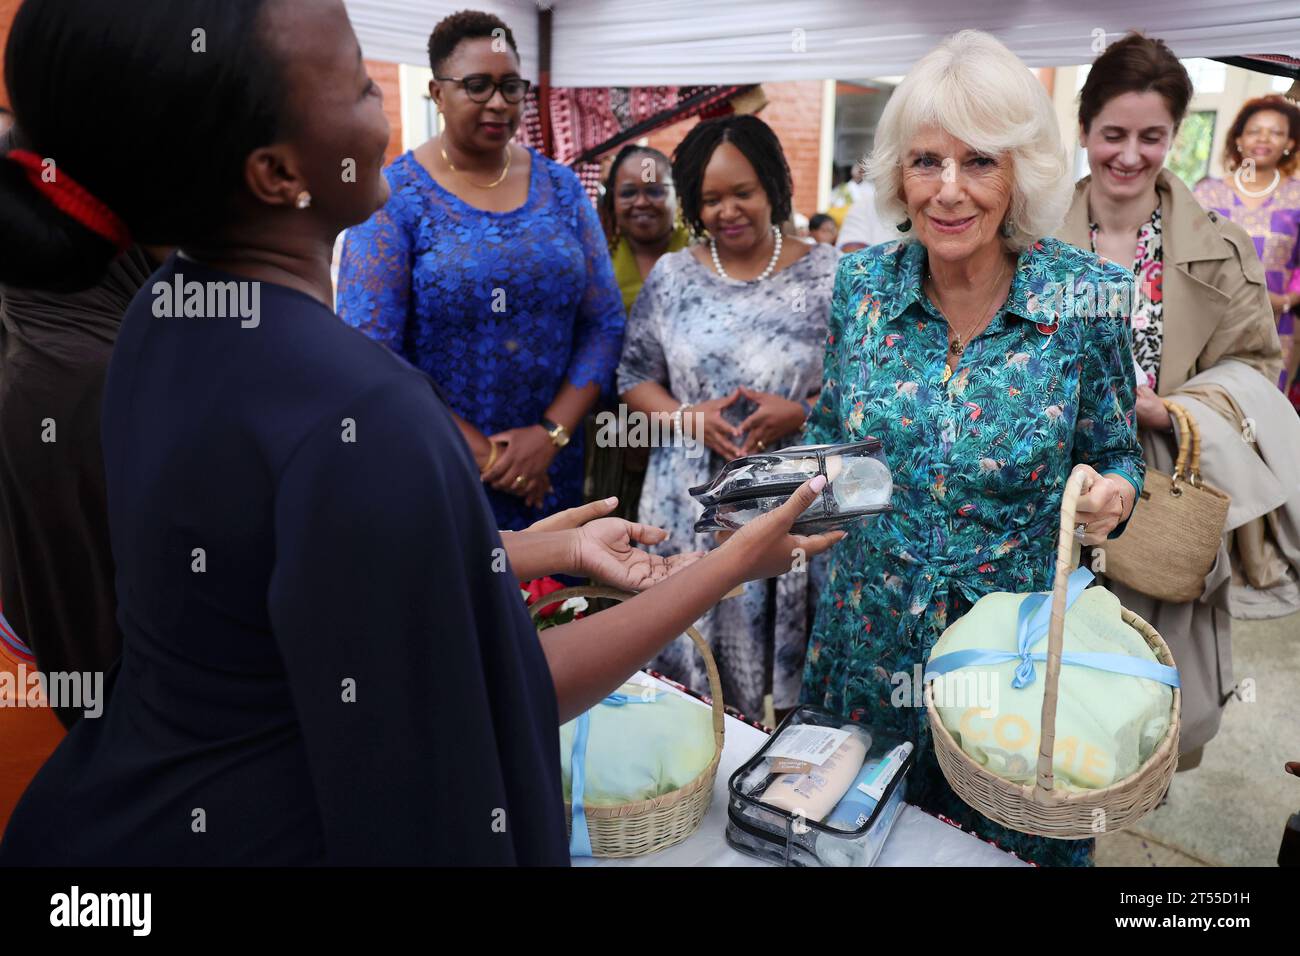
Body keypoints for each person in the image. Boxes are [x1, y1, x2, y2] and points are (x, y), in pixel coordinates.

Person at [0, 0, 843, 866]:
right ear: (275, 170)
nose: (385, 108)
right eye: (361, 84)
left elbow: (290, 578)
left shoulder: (161, 317)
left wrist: (516, 550)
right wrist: (726, 565)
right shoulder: (366, 414)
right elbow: (499, 694)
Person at [802, 30, 1145, 867]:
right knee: (854, 845)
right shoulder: (862, 287)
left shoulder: (1086, 295)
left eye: (979, 162)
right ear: (898, 174)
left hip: (1011, 677)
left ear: (1020, 174)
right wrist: (787, 498)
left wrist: (1114, 498)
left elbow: (1118, 451)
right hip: (867, 652)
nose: (949, 191)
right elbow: (831, 434)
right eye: (926, 162)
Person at [1059, 33, 1297, 770]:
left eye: (1151, 137)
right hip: (1044, 507)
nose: (1129, 155)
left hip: (1160, 505)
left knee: (1140, 706)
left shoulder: (1222, 249)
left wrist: (1173, 412)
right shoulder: (1027, 237)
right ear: (1085, 129)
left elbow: (1257, 365)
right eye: (1114, 135)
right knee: (1043, 697)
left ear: (1175, 137)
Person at [336, 10, 625, 530]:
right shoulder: (392, 197)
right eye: (477, 85)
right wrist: (490, 459)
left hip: (551, 469)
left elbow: (604, 323)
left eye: (511, 87)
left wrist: (550, 435)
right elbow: (370, 353)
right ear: (436, 92)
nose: (498, 102)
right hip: (437, 465)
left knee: (558, 606)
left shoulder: (562, 189)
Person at [618, 115, 840, 722]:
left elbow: (860, 388)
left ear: (773, 186)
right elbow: (633, 378)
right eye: (710, 199)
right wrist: (689, 417)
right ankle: (684, 783)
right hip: (688, 500)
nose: (728, 211)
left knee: (788, 676)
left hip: (790, 492)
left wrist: (799, 411)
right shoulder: (672, 276)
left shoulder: (830, 274)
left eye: (743, 192)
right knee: (686, 671)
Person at [587, 144, 691, 520]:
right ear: (612, 201)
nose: (641, 202)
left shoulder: (702, 256)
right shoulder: (597, 262)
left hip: (693, 427)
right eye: (628, 192)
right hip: (614, 430)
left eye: (655, 190)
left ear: (677, 195)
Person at [1193, 95, 1300, 402]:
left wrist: (1288, 300)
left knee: (1264, 415)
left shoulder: (1297, 197)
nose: (1263, 139)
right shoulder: (1207, 193)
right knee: (1210, 409)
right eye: (1254, 130)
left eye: (1276, 132)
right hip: (1212, 322)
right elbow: (1187, 258)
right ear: (1238, 139)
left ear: (1290, 142)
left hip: (1276, 326)